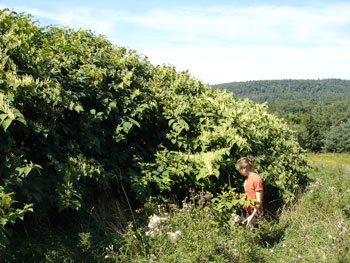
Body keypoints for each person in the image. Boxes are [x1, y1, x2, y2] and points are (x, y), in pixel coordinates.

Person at [236, 157, 264, 228]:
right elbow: (248, 194)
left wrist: (251, 217)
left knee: (252, 234)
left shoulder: (257, 179)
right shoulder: (248, 178)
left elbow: (259, 201)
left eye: (240, 170)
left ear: (244, 169)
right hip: (246, 208)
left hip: (254, 212)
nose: (239, 172)